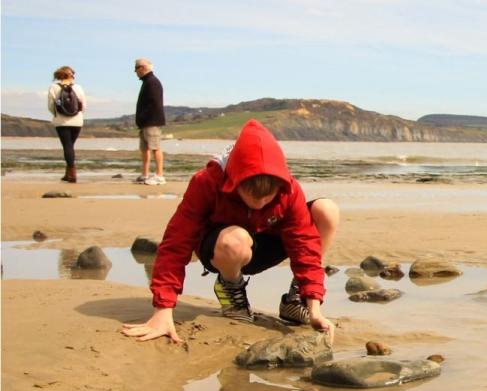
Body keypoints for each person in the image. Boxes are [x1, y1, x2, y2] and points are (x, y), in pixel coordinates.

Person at [122, 119, 339, 343]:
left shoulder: (288, 189)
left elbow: (305, 245)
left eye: (269, 196)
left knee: (327, 210)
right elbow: (176, 243)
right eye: (253, 195)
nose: (262, 202)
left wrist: (314, 305)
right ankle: (231, 289)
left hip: (264, 241)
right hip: (223, 248)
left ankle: (296, 301)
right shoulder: (207, 182)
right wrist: (163, 310)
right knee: (236, 239)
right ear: (234, 182)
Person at [46, 65, 87, 183]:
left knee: (67, 146)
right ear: (70, 75)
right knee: (70, 146)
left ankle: (72, 173)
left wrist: (57, 114)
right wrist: (78, 115)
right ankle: (67, 173)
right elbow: (84, 105)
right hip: (77, 121)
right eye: (73, 74)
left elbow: (50, 105)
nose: (74, 76)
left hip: (61, 121)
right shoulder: (78, 87)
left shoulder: (53, 87)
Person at [133, 57, 166, 185]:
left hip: (152, 121)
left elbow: (154, 103)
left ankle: (159, 175)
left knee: (155, 147)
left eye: (136, 68)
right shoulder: (147, 81)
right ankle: (145, 174)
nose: (135, 71)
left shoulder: (152, 82)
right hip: (145, 122)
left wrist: (144, 117)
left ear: (142, 68)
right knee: (144, 148)